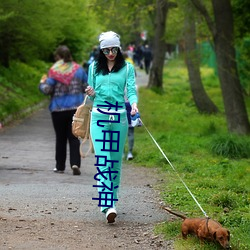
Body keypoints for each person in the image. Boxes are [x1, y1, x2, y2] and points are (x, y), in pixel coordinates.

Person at [85, 31, 138, 223]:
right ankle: (108, 205)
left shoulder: (127, 68)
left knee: (115, 163)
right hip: (98, 117)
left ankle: (110, 200)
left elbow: (131, 90)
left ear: (119, 48)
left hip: (119, 119)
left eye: (114, 49)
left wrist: (133, 104)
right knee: (104, 161)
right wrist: (90, 92)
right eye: (106, 50)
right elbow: (91, 97)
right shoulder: (93, 68)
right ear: (101, 50)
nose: (110, 53)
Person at [39, 45, 88, 175]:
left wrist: (42, 83)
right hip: (75, 109)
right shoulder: (79, 70)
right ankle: (75, 163)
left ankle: (60, 166)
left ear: (58, 57)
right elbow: (86, 87)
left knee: (60, 138)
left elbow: (47, 90)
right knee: (74, 137)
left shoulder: (54, 71)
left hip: (58, 109)